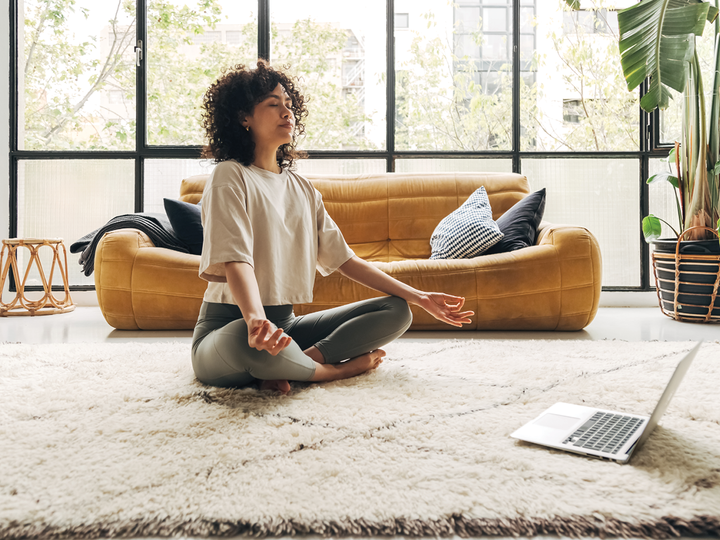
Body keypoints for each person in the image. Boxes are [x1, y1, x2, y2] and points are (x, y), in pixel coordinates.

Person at [192, 60, 474, 394]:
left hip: (285, 326)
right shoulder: (230, 175)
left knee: (396, 310)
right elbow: (236, 258)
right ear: (243, 118)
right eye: (273, 104)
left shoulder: (302, 189)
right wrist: (255, 320)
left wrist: (419, 296)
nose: (287, 112)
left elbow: (345, 261)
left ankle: (299, 361)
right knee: (244, 340)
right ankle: (331, 372)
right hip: (229, 327)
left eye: (289, 105)